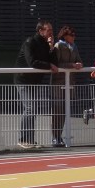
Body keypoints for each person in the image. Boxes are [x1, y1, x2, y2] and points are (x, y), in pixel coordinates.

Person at [15, 19, 57, 149]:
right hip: (23, 79)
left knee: (33, 109)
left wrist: (51, 47)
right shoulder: (30, 42)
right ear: (40, 31)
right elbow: (32, 62)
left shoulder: (46, 44)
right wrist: (49, 65)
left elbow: (54, 63)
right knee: (30, 108)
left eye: (51, 30)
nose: (51, 32)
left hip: (35, 81)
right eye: (48, 30)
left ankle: (30, 140)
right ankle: (23, 139)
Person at [50, 25, 83, 147]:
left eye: (74, 35)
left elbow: (79, 60)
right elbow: (57, 64)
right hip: (58, 82)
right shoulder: (58, 46)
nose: (74, 37)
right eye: (71, 35)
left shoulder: (74, 46)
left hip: (70, 81)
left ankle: (60, 135)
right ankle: (55, 136)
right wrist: (72, 65)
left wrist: (79, 64)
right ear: (65, 36)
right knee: (57, 109)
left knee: (65, 110)